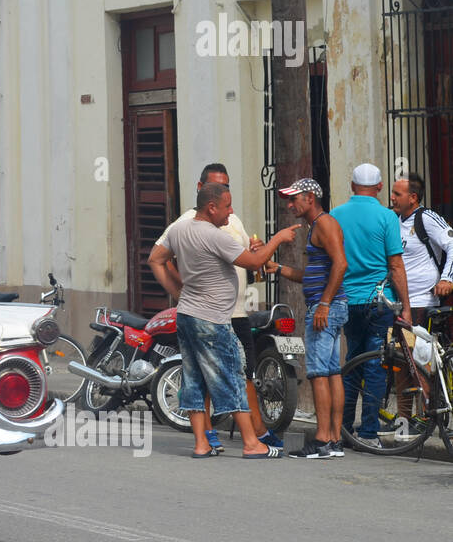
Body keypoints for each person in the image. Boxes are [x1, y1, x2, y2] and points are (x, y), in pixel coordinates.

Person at [148, 182, 298, 458]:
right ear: (211, 207)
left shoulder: (180, 228)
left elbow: (155, 259)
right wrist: (277, 239)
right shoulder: (214, 236)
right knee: (235, 376)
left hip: (187, 315)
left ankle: (201, 444)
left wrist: (178, 292)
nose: (231, 212)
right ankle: (252, 444)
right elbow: (253, 263)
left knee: (194, 379)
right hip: (213, 319)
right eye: (227, 206)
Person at [265, 179, 349, 458]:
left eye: (294, 199)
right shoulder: (318, 226)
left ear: (311, 198)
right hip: (330, 306)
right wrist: (279, 268)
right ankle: (334, 439)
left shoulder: (325, 223)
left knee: (317, 374)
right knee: (331, 372)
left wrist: (324, 304)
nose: (290, 205)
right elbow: (311, 274)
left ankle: (323, 438)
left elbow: (341, 263)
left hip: (326, 308)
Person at [331, 163, 411, 447]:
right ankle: (367, 434)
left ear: (352, 186)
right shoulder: (387, 217)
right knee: (376, 365)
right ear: (379, 188)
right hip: (378, 303)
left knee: (352, 363)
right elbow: (396, 265)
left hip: (346, 301)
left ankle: (343, 430)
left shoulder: (335, 215)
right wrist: (406, 306)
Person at [388, 172, 453, 327]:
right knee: (399, 351)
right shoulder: (392, 219)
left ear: (413, 198)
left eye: (397, 194)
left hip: (423, 302)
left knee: (420, 350)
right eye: (392, 192)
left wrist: (447, 279)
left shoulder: (427, 218)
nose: (392, 197)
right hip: (396, 303)